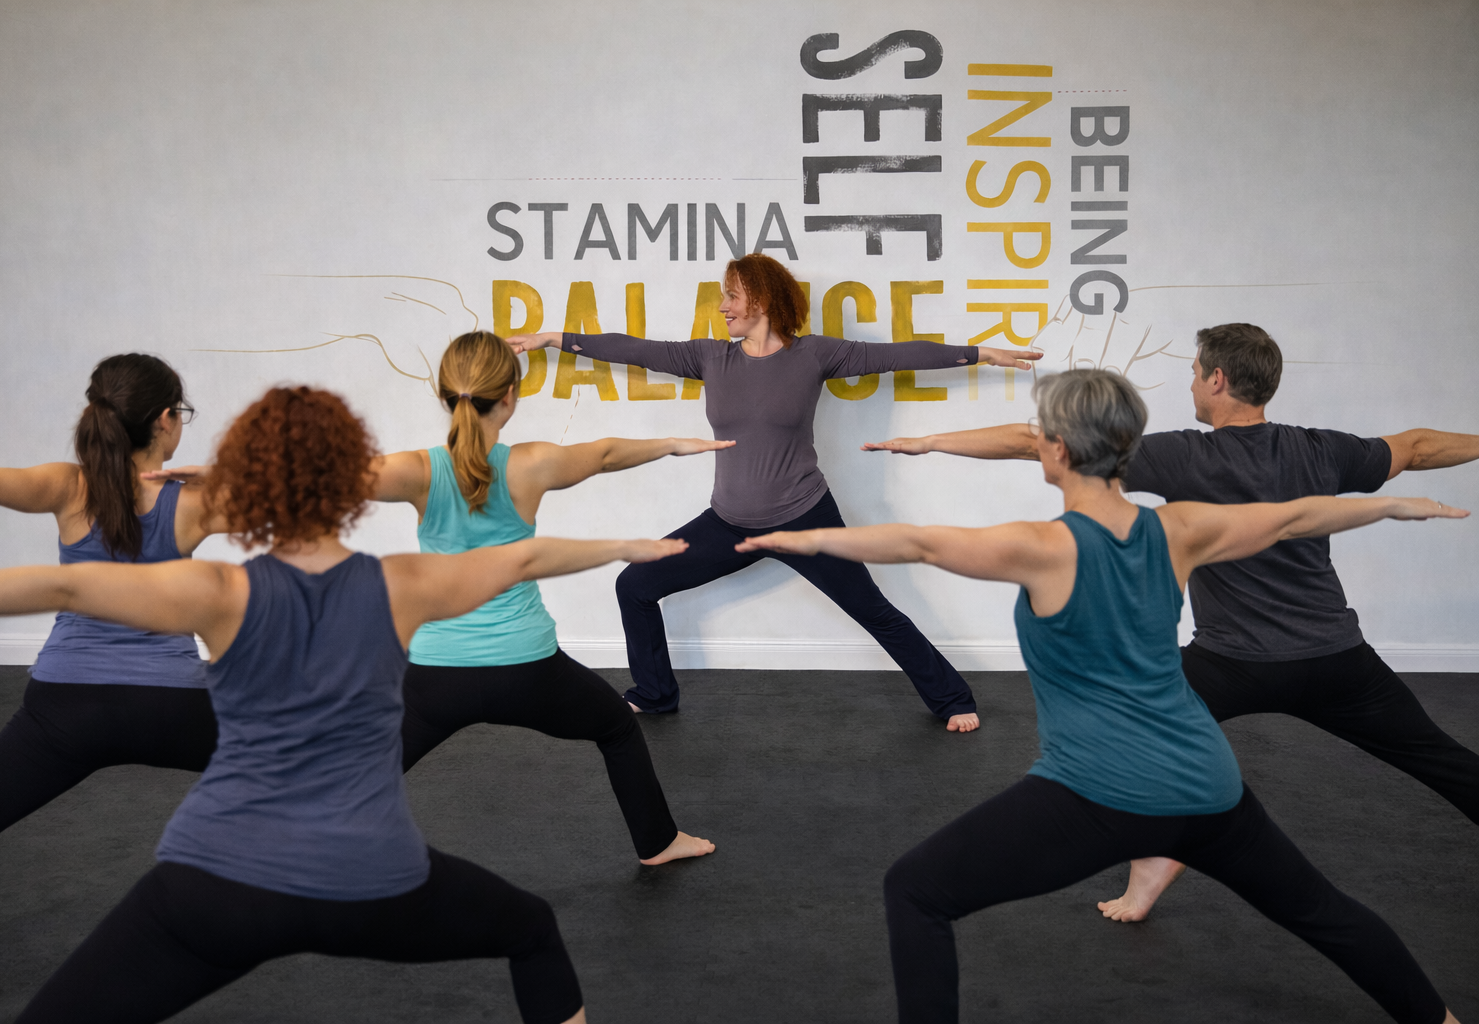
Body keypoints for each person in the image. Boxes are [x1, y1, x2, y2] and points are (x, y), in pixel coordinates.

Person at [0, 384, 688, 1023]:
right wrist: (624, 546)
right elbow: (524, 556)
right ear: (349, 485)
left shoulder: (219, 593)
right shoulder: (403, 584)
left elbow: (62, 586)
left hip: (215, 884)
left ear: (254, 490)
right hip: (373, 878)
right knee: (529, 928)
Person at [741, 368, 1465, 1024]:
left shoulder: (1044, 546)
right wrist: (1390, 510)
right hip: (1207, 785)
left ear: (1053, 449)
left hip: (1103, 793)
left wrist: (808, 541)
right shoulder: (1177, 529)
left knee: (915, 890)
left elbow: (922, 544)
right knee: (1321, 911)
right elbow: (1294, 517)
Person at [863, 322, 1479, 922]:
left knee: (1132, 743)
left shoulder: (1182, 455)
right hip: (1334, 659)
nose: (1189, 385)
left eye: (1192, 373)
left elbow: (1037, 440)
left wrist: (928, 442)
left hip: (1231, 663)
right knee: (1441, 759)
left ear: (1216, 379)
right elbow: (1417, 447)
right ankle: (1153, 867)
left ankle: (1155, 859)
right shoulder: (1323, 449)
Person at [508, 252, 1042, 731]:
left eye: (731, 296)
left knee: (875, 610)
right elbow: (636, 349)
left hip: (804, 516)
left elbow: (900, 355)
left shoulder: (814, 356)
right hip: (729, 523)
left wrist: (979, 354)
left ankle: (951, 699)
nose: (722, 307)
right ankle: (654, 693)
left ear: (760, 300)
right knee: (636, 585)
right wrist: (554, 338)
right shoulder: (710, 358)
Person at [371, 330, 719, 865]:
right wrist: (672, 443)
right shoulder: (530, 464)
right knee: (617, 726)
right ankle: (659, 841)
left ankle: (293, 854)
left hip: (437, 673)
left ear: (443, 395)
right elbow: (603, 454)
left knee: (363, 770)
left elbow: (321, 480)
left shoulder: (416, 470)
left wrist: (219, 475)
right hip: (527, 669)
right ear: (510, 396)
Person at [0, 353, 231, 870]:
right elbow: (310, 506)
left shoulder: (68, 486)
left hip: (63, 707)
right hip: (173, 708)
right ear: (166, 419)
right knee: (309, 758)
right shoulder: (193, 503)